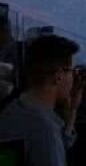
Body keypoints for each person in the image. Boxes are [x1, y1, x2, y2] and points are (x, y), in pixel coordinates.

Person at [0, 34, 81, 166]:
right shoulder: (44, 129)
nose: (74, 78)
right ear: (59, 76)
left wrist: (72, 109)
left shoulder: (11, 110)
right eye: (72, 71)